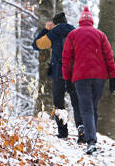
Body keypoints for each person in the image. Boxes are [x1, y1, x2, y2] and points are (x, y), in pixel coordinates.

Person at [62, 6, 115, 155]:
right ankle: (91, 137)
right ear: (91, 21)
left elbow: (66, 59)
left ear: (80, 21)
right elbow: (109, 57)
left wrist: (67, 79)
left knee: (86, 108)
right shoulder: (100, 35)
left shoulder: (73, 35)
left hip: (81, 77)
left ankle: (91, 141)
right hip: (99, 77)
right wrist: (113, 78)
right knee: (93, 107)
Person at [32, 12, 85, 142]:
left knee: (59, 103)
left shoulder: (53, 33)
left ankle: (63, 132)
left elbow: (36, 45)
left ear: (55, 23)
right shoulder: (76, 33)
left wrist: (46, 30)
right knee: (77, 102)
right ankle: (81, 129)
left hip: (58, 72)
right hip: (74, 72)